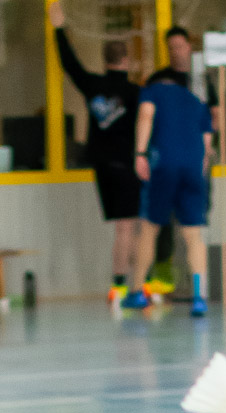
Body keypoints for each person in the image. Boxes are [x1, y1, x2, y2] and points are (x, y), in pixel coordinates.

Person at [48, 1, 140, 303]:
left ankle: (125, 284)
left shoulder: (93, 85)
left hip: (101, 166)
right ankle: (125, 285)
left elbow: (70, 64)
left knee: (123, 227)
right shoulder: (135, 93)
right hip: (126, 165)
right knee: (128, 227)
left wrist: (59, 28)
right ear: (126, 60)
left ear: (105, 60)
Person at [120, 69, 214, 316]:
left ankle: (136, 292)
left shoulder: (152, 92)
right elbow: (207, 145)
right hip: (193, 169)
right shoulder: (196, 101)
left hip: (164, 165)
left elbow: (145, 116)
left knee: (149, 229)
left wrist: (140, 153)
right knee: (193, 235)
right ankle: (199, 298)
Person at [143, 26, 219, 296]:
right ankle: (162, 274)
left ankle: (197, 282)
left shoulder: (200, 81)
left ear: (189, 47)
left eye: (180, 46)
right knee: (160, 219)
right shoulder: (159, 81)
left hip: (195, 159)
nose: (176, 52)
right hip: (166, 159)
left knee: (196, 219)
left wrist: (207, 146)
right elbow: (147, 117)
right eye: (171, 47)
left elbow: (214, 115)